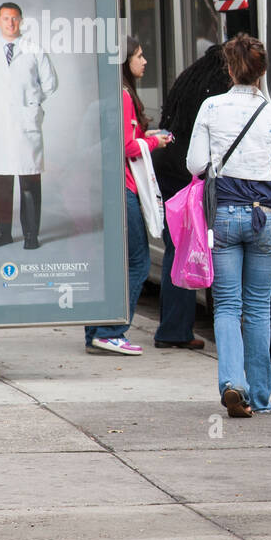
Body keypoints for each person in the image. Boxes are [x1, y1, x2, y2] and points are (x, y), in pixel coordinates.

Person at [186, 34, 271, 418]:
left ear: (229, 68)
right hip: (266, 217)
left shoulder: (211, 106)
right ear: (262, 71)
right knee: (258, 309)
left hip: (224, 214)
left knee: (226, 306)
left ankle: (231, 384)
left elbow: (194, 165)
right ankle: (260, 397)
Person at [84, 37, 171, 355]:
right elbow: (125, 146)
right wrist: (154, 144)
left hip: (110, 188)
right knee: (138, 261)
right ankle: (112, 330)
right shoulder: (123, 96)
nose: (145, 61)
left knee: (112, 262)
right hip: (124, 190)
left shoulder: (113, 94)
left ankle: (96, 331)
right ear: (125, 63)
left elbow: (124, 136)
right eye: (139, 55)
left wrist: (144, 135)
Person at [149, 44, 233, 350]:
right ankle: (176, 329)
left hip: (167, 165)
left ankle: (174, 326)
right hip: (188, 173)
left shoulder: (189, 77)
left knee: (179, 247)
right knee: (199, 246)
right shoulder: (218, 89)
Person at [0, 1, 58, 249]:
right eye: (6, 18)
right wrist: (0, 102)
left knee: (29, 181)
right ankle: (3, 234)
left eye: (15, 18)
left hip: (25, 124)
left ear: (21, 21)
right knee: (2, 182)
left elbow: (50, 84)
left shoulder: (34, 50)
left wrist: (32, 103)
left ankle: (31, 236)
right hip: (0, 125)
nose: (10, 23)